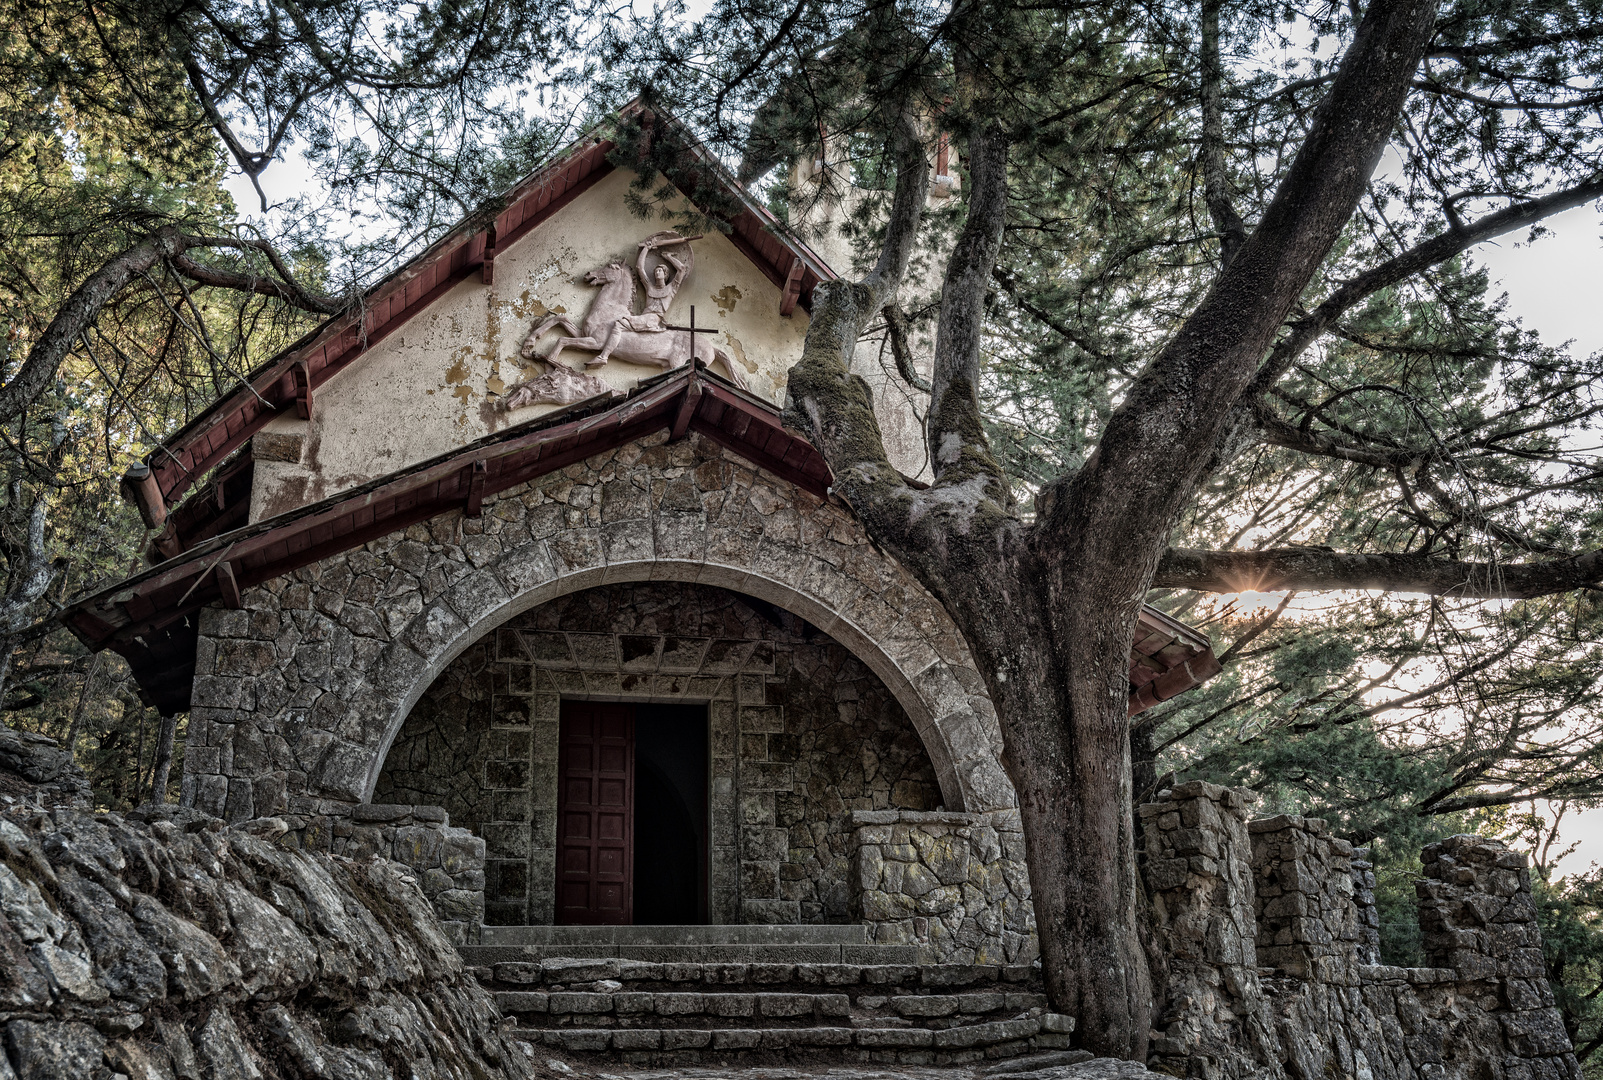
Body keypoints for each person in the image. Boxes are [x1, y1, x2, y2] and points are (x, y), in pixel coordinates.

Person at [588, 233, 691, 367]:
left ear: (666, 275)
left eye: (660, 271)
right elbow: (639, 268)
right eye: (655, 271)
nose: (657, 273)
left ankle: (603, 356)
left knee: (619, 323)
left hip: (653, 319)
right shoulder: (650, 287)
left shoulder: (672, 288)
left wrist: (668, 257)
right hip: (644, 317)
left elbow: (682, 269)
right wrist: (646, 249)